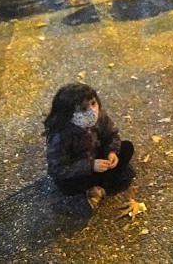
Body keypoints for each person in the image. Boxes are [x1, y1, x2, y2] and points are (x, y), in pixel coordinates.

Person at [44, 83, 135, 216]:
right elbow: (57, 169)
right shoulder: (61, 135)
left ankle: (98, 189)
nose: (92, 111)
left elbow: (111, 135)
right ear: (68, 113)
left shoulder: (100, 117)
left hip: (98, 158)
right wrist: (90, 166)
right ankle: (101, 186)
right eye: (83, 109)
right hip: (79, 170)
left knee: (127, 147)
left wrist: (111, 152)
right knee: (66, 185)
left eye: (93, 103)